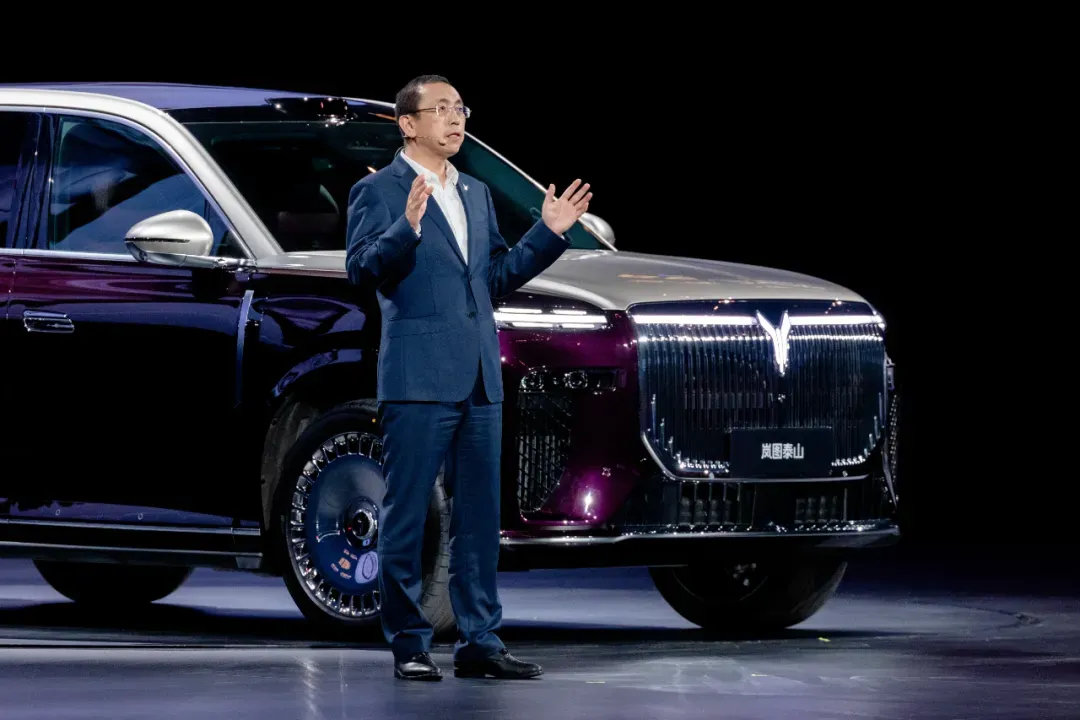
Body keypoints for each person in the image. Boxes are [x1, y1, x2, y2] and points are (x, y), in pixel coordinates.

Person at [344, 74, 592, 681]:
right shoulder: (377, 191)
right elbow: (361, 271)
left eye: (460, 109)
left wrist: (548, 233)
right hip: (417, 377)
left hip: (480, 376)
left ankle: (480, 640)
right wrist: (406, 228)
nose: (455, 119)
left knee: (479, 519)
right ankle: (409, 643)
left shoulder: (475, 192)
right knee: (408, 515)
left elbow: (493, 279)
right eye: (441, 109)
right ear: (408, 124)